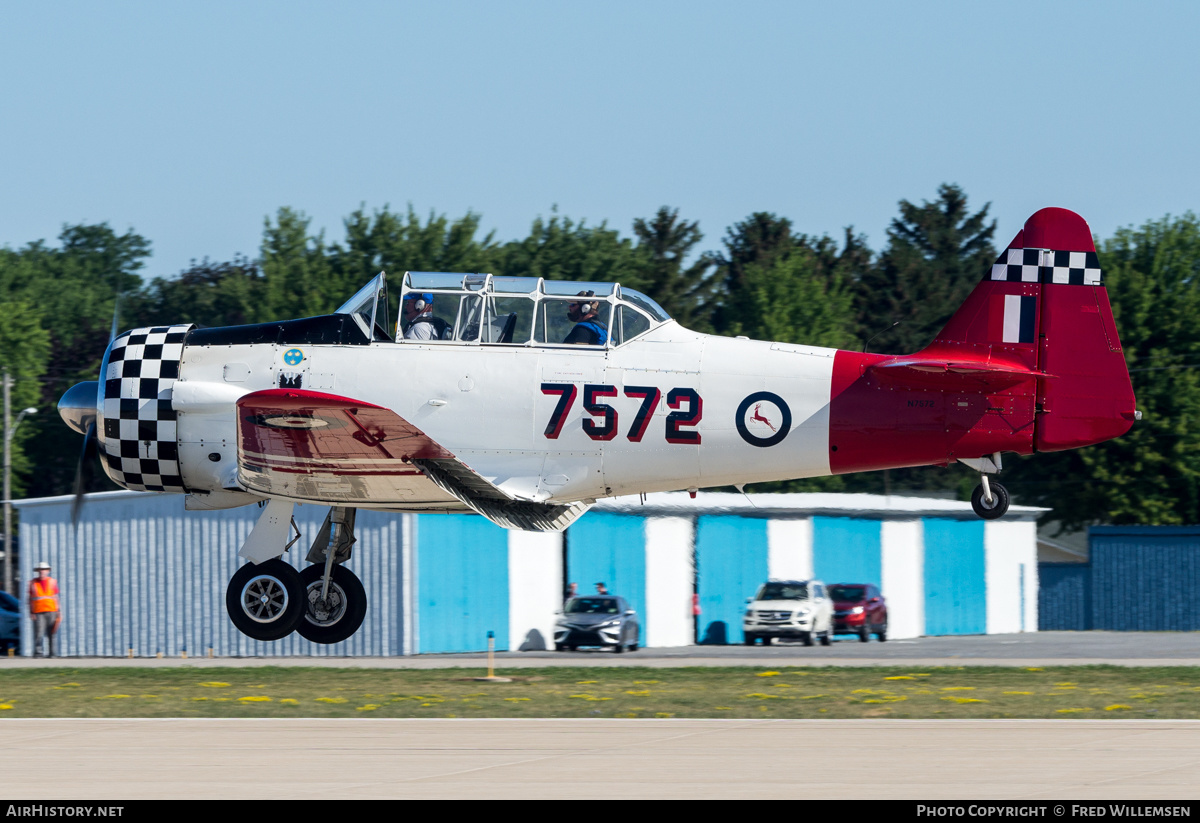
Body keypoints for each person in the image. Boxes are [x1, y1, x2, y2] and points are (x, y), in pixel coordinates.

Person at [28, 561, 60, 658]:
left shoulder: (52, 582)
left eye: (44, 570)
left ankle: (52, 653)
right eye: (40, 570)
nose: (42, 572)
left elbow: (55, 597)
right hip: (38, 612)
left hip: (52, 611)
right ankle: (38, 653)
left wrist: (59, 611)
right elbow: (29, 598)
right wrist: (31, 611)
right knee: (38, 633)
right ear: (38, 571)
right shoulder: (32, 583)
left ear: (47, 571)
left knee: (51, 633)